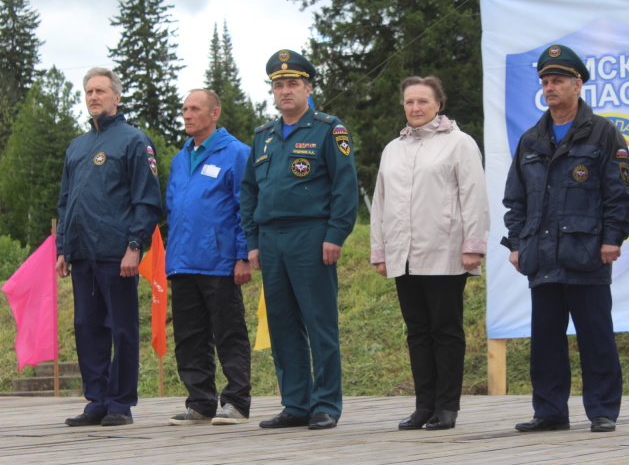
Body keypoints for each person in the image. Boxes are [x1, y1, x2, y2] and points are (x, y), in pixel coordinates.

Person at [502, 45, 629, 433]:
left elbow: (622, 195)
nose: (550, 87)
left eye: (558, 80)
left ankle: (602, 411)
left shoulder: (604, 133)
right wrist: (516, 242)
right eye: (545, 81)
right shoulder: (531, 139)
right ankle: (549, 411)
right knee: (545, 339)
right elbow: (515, 199)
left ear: (578, 84)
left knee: (595, 335)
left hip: (587, 251)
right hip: (541, 255)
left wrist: (613, 238)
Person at [240, 49, 359, 430]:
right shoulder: (263, 137)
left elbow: (345, 186)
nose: (285, 91)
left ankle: (325, 403)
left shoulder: (328, 129)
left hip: (311, 236)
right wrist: (253, 241)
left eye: (293, 84)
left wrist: (335, 233)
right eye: (278, 85)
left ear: (308, 88)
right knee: (281, 323)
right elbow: (249, 192)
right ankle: (295, 403)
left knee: (318, 320)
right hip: (271, 239)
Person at [370, 76, 490, 431]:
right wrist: (380, 249)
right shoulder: (393, 149)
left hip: (445, 250)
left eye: (423, 101)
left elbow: (474, 195)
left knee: (446, 330)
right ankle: (424, 406)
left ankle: (447, 407)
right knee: (417, 332)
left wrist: (473, 246)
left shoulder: (459, 144)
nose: (416, 108)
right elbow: (380, 201)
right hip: (404, 254)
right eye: (409, 102)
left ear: (438, 104)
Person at [56, 67, 162, 427]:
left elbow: (147, 200)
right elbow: (65, 202)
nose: (93, 97)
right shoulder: (77, 146)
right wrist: (62, 249)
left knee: (122, 328)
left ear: (117, 97)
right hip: (81, 253)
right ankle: (96, 401)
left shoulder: (134, 140)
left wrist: (136, 245)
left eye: (100, 91)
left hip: (118, 255)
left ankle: (120, 403)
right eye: (88, 92)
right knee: (86, 326)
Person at [165, 89, 253, 426]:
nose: (187, 114)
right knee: (189, 336)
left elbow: (245, 207)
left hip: (219, 260)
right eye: (184, 109)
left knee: (229, 332)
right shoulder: (179, 158)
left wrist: (242, 255)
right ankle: (200, 402)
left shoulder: (236, 153)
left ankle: (236, 402)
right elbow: (175, 208)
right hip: (182, 260)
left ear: (214, 114)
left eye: (195, 109)